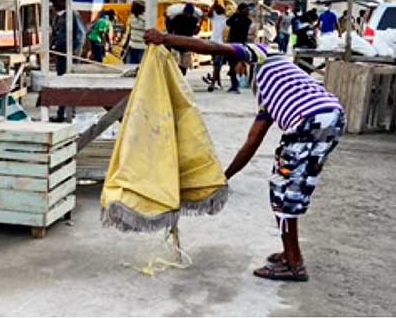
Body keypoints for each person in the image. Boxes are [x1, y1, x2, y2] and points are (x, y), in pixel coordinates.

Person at [143, 28, 344, 282]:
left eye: (233, 66)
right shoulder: (270, 94)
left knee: (284, 193)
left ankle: (294, 264)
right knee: (293, 187)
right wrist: (223, 176)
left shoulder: (261, 52)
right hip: (330, 118)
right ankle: (289, 253)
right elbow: (251, 143)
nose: (234, 71)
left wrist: (166, 39)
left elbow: (215, 47)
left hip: (309, 121)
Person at [49, 0, 86, 75]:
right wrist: (51, 48)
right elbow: (55, 35)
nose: (53, 4)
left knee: (69, 75)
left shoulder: (73, 15)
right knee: (60, 73)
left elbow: (80, 34)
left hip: (69, 53)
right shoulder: (57, 17)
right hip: (60, 53)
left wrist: (74, 51)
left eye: (56, 1)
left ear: (64, 1)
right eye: (52, 1)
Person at [167, 3, 201, 75]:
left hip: (186, 44)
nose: (188, 15)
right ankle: (177, 76)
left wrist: (200, 24)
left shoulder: (194, 20)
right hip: (177, 44)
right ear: (184, 12)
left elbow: (195, 32)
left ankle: (182, 77)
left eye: (190, 13)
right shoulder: (178, 18)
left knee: (184, 65)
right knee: (175, 64)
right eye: (188, 13)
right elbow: (170, 28)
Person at [226, 4, 253, 93]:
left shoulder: (247, 20)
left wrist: (236, 15)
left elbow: (235, 24)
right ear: (241, 10)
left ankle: (239, 83)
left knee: (240, 64)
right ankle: (234, 85)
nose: (248, 11)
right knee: (232, 65)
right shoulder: (236, 18)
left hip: (241, 45)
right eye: (246, 9)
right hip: (232, 44)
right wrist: (235, 14)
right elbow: (228, 22)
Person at [206, 3, 228, 91]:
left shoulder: (222, 17)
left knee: (216, 64)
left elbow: (209, 13)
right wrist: (214, 4)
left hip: (218, 43)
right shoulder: (218, 17)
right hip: (216, 43)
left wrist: (215, 5)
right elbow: (209, 13)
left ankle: (213, 84)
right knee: (216, 65)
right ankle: (218, 83)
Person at [125, 0, 147, 65]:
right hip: (136, 46)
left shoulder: (143, 19)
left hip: (138, 47)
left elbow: (129, 33)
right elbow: (129, 33)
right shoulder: (132, 18)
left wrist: (125, 46)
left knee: (133, 67)